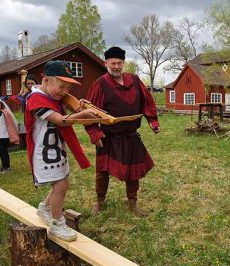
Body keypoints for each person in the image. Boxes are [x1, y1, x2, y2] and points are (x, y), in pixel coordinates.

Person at [25, 60, 97, 241]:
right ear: (46, 80)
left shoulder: (52, 96)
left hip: (56, 149)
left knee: (64, 182)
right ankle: (57, 223)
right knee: (60, 185)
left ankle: (45, 208)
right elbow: (60, 120)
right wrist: (81, 115)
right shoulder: (36, 99)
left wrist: (78, 106)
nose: (65, 92)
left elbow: (65, 110)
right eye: (61, 86)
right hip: (44, 153)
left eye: (68, 88)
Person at [85, 46, 161, 216]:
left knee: (133, 171)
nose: (116, 67)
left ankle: (132, 203)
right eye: (113, 63)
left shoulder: (134, 81)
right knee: (102, 172)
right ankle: (100, 201)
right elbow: (88, 112)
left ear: (124, 63)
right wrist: (94, 133)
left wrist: (153, 122)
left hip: (131, 136)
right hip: (108, 136)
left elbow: (147, 102)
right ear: (106, 63)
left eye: (119, 63)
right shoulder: (100, 84)